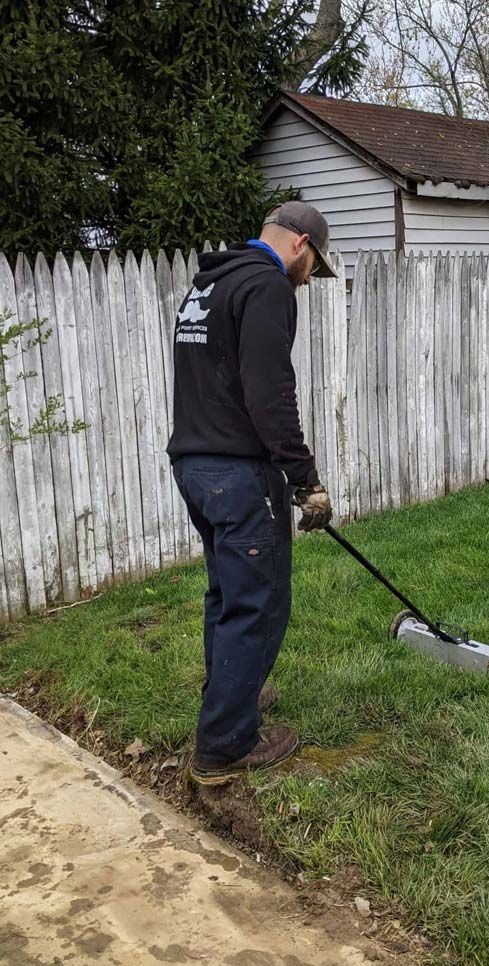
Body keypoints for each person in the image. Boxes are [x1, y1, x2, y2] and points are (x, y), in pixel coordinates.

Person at [167, 201, 336, 786]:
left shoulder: (211, 285)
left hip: (194, 463)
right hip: (238, 471)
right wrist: (304, 479)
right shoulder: (267, 286)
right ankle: (225, 746)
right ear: (300, 244)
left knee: (227, 594)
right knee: (258, 602)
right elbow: (270, 392)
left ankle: (232, 698)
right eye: (315, 263)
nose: (311, 277)